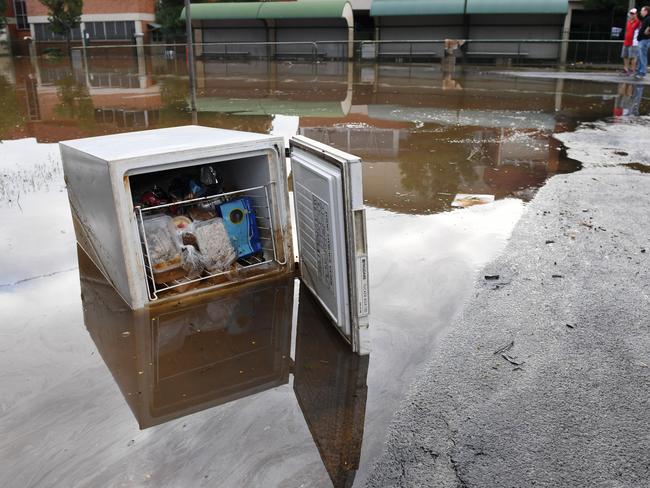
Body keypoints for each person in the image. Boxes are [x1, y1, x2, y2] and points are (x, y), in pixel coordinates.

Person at [622, 8, 641, 75]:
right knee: (625, 56)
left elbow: (640, 31)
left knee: (633, 57)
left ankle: (633, 70)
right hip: (626, 41)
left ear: (636, 14)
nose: (632, 15)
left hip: (633, 42)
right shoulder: (629, 22)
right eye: (631, 13)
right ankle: (626, 69)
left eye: (633, 13)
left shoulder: (638, 22)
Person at [634, 6, 650, 80]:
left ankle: (642, 72)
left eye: (642, 10)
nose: (641, 12)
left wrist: (647, 30)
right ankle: (639, 71)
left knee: (642, 56)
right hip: (642, 40)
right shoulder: (645, 19)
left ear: (646, 11)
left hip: (645, 40)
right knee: (640, 56)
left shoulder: (648, 18)